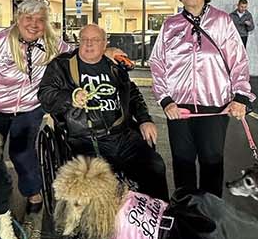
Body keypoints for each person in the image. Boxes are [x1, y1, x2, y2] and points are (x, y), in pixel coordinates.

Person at [152, 0, 253, 198]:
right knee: (182, 163)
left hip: (215, 108)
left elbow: (238, 60)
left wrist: (240, 96)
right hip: (178, 109)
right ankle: (186, 212)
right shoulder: (171, 25)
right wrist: (165, 100)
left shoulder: (222, 21)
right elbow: (157, 63)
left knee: (212, 163)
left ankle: (212, 213)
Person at [39, 24, 169, 201]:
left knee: (155, 166)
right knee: (97, 183)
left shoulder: (114, 65)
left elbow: (132, 94)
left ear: (104, 44)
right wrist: (71, 96)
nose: (89, 44)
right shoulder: (62, 65)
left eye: (95, 40)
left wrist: (145, 119)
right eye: (85, 39)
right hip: (85, 138)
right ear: (79, 42)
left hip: (122, 135)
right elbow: (45, 94)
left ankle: (156, 214)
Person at [0, 0, 66, 209]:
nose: (34, 24)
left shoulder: (53, 44)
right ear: (18, 19)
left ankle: (32, 191)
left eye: (40, 19)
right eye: (28, 18)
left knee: (22, 152)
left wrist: (106, 53)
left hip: (29, 108)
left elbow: (76, 56)